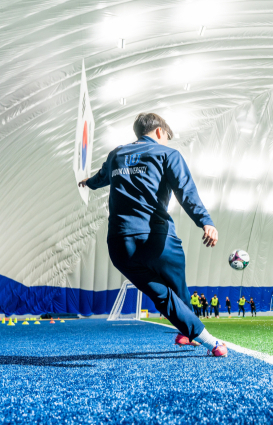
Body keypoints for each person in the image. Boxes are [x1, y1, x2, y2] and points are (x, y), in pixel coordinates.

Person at [78, 113, 226, 356]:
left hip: (119, 243)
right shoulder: (168, 154)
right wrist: (206, 222)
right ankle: (188, 334)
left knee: (161, 295)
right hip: (157, 239)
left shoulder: (116, 154)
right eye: (167, 136)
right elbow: (185, 192)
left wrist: (88, 183)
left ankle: (205, 340)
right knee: (178, 290)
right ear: (160, 132)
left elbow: (101, 178)